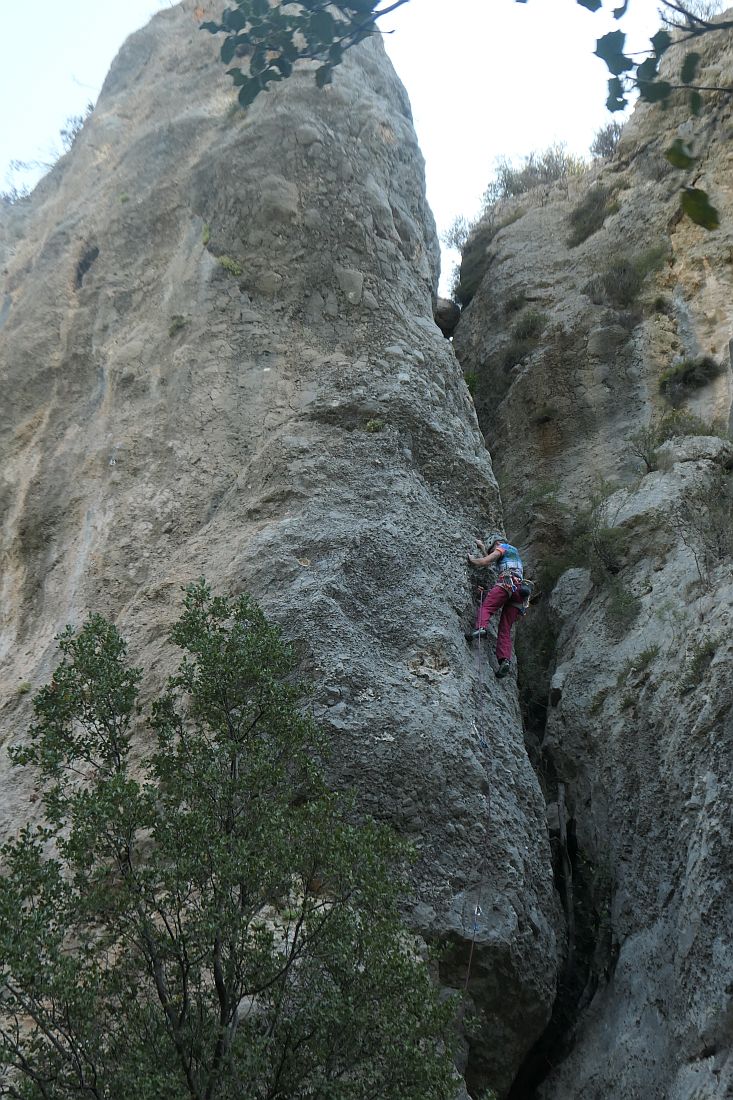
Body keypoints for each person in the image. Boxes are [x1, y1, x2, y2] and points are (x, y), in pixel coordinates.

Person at [466, 532, 526, 678]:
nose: (492, 551)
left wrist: (473, 560)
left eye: (492, 548)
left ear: (497, 544)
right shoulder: (514, 554)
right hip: (520, 593)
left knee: (487, 607)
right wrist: (482, 547)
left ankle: (481, 628)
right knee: (505, 628)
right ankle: (504, 660)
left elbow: (487, 561)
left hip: (506, 583)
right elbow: (493, 560)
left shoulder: (503, 547)